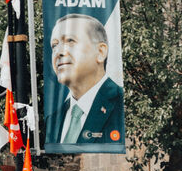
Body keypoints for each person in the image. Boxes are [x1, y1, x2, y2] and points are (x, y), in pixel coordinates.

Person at [47, 14, 125, 148]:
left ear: (100, 52)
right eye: (54, 45)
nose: (58, 52)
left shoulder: (122, 103)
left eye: (70, 41)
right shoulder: (52, 121)